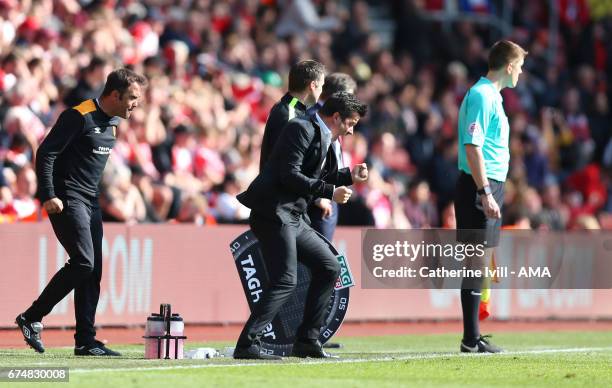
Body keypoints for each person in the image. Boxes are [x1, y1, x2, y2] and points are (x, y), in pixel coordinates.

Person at [16, 68, 147, 356]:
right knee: (84, 262)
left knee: (93, 270)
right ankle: (31, 317)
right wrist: (48, 194)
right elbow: (46, 152)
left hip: (91, 201)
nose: (136, 104)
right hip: (66, 198)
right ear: (115, 94)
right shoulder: (79, 115)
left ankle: (86, 341)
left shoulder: (113, 122)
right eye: (133, 98)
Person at [234, 92, 368, 360]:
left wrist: (349, 176)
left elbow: (317, 173)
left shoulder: (323, 135)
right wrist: (330, 191)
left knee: (330, 266)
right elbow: (290, 175)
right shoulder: (300, 127)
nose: (351, 131)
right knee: (285, 279)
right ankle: (247, 345)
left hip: (293, 217)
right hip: (273, 213)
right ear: (336, 117)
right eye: (350, 123)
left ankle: (307, 340)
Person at [455, 40, 527, 353]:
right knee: (476, 262)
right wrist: (484, 191)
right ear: (509, 66)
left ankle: (473, 336)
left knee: (480, 263)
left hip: (487, 186)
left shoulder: (490, 96)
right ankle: (470, 339)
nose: (521, 73)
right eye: (520, 67)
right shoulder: (483, 96)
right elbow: (473, 146)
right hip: (478, 187)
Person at [306, 73, 357, 241]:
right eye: (349, 96)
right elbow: (307, 161)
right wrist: (318, 197)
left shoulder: (332, 118)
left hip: (329, 198)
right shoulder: (314, 117)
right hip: (318, 203)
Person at [259, 59, 326, 172]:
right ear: (313, 85)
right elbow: (285, 165)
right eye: (321, 85)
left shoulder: (293, 106)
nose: (321, 91)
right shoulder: (289, 114)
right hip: (277, 188)